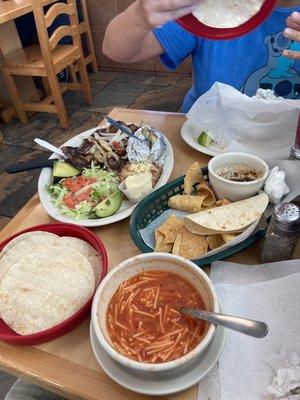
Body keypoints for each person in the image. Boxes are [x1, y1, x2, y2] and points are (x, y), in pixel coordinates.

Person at [103, 0, 300, 112]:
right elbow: (116, 50)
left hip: (289, 142)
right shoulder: (209, 5)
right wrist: (140, 15)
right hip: (206, 137)